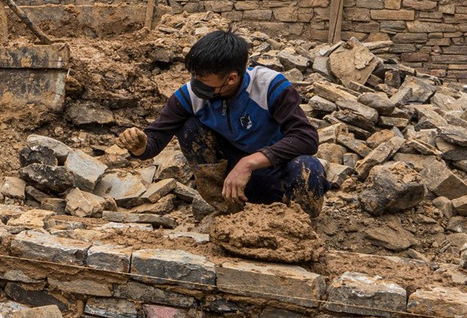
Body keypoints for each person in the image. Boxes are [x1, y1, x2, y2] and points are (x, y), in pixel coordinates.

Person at [116, 29, 327, 211]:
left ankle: (296, 226)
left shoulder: (269, 86)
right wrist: (139, 146)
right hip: (231, 184)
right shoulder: (189, 96)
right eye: (194, 76)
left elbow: (306, 138)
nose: (196, 83)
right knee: (190, 128)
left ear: (232, 78)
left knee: (309, 168)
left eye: (203, 80)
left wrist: (249, 163)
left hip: (277, 177)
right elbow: (153, 142)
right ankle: (229, 211)